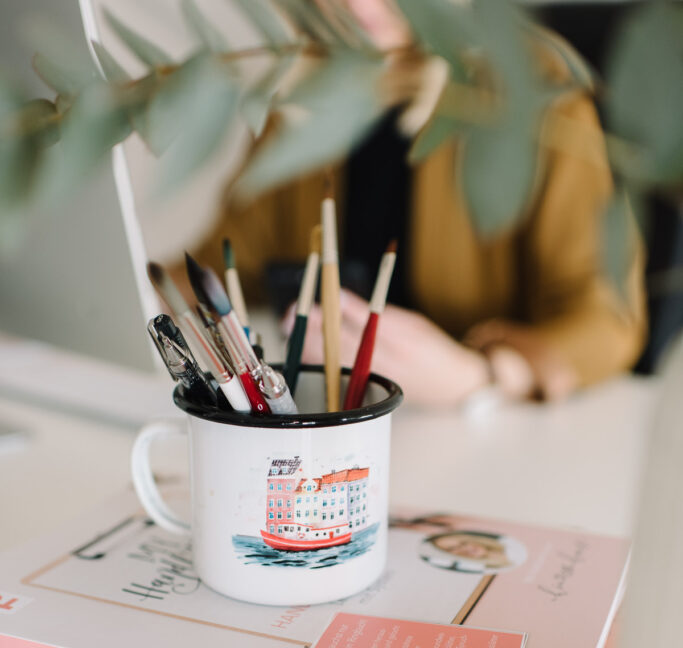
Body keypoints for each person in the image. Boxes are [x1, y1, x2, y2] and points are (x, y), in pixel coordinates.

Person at [190, 4, 647, 406]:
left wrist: (482, 374)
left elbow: (608, 322)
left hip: (484, 439)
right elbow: (218, 269)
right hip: (327, 423)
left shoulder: (541, 101)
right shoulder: (304, 98)